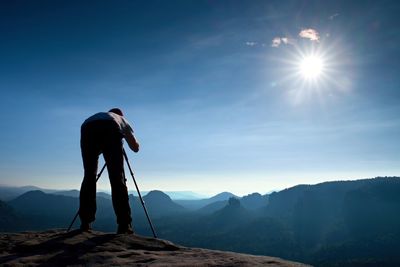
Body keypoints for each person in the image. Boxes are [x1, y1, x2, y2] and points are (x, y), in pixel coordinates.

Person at [79, 108, 139, 234]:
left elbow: (97, 148)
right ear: (121, 115)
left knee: (89, 176)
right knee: (117, 178)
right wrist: (118, 142)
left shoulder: (97, 116)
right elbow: (135, 148)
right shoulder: (121, 120)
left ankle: (85, 222)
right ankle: (124, 224)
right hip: (111, 128)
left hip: (86, 128)